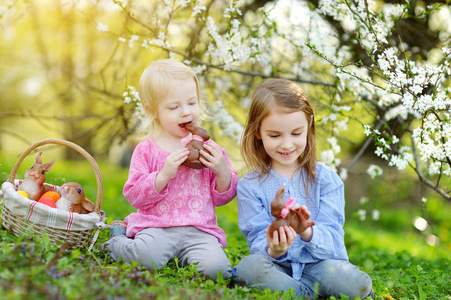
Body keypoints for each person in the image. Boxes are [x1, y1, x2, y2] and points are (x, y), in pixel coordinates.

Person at [235, 79, 373, 299]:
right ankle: (306, 294)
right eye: (275, 135)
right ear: (258, 132)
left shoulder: (327, 180)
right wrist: (276, 249)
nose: (287, 144)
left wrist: (306, 231)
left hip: (322, 266)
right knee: (248, 269)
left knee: (357, 284)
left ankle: (297, 294)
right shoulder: (249, 186)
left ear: (309, 126)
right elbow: (257, 241)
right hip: (278, 269)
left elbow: (334, 241)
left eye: (296, 133)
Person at [104, 59, 239, 281]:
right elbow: (134, 195)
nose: (186, 113)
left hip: (199, 230)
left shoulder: (210, 149)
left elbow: (223, 196)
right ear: (153, 111)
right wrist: (163, 175)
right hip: (158, 227)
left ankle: (189, 256)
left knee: (217, 271)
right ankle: (118, 239)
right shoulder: (146, 149)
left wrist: (223, 172)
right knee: (145, 259)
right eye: (174, 107)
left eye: (191, 103)